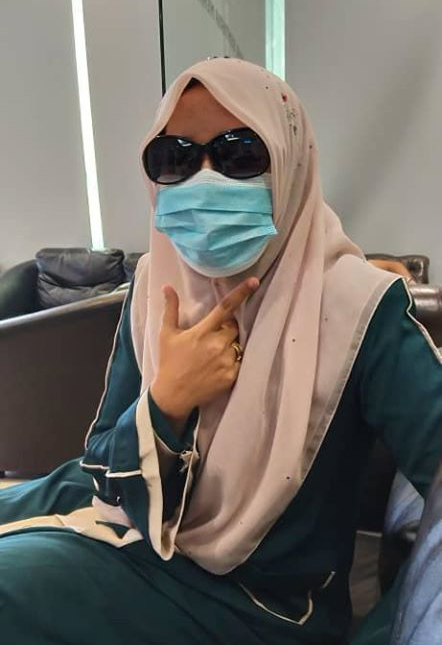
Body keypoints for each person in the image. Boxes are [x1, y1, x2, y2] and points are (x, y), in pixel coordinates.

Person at [0, 57, 441, 645]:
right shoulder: (158, 285)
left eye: (238, 155)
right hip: (143, 532)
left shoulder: (358, 308)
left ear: (289, 162)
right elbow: (104, 463)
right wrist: (168, 401)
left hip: (261, 603)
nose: (204, 180)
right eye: (175, 158)